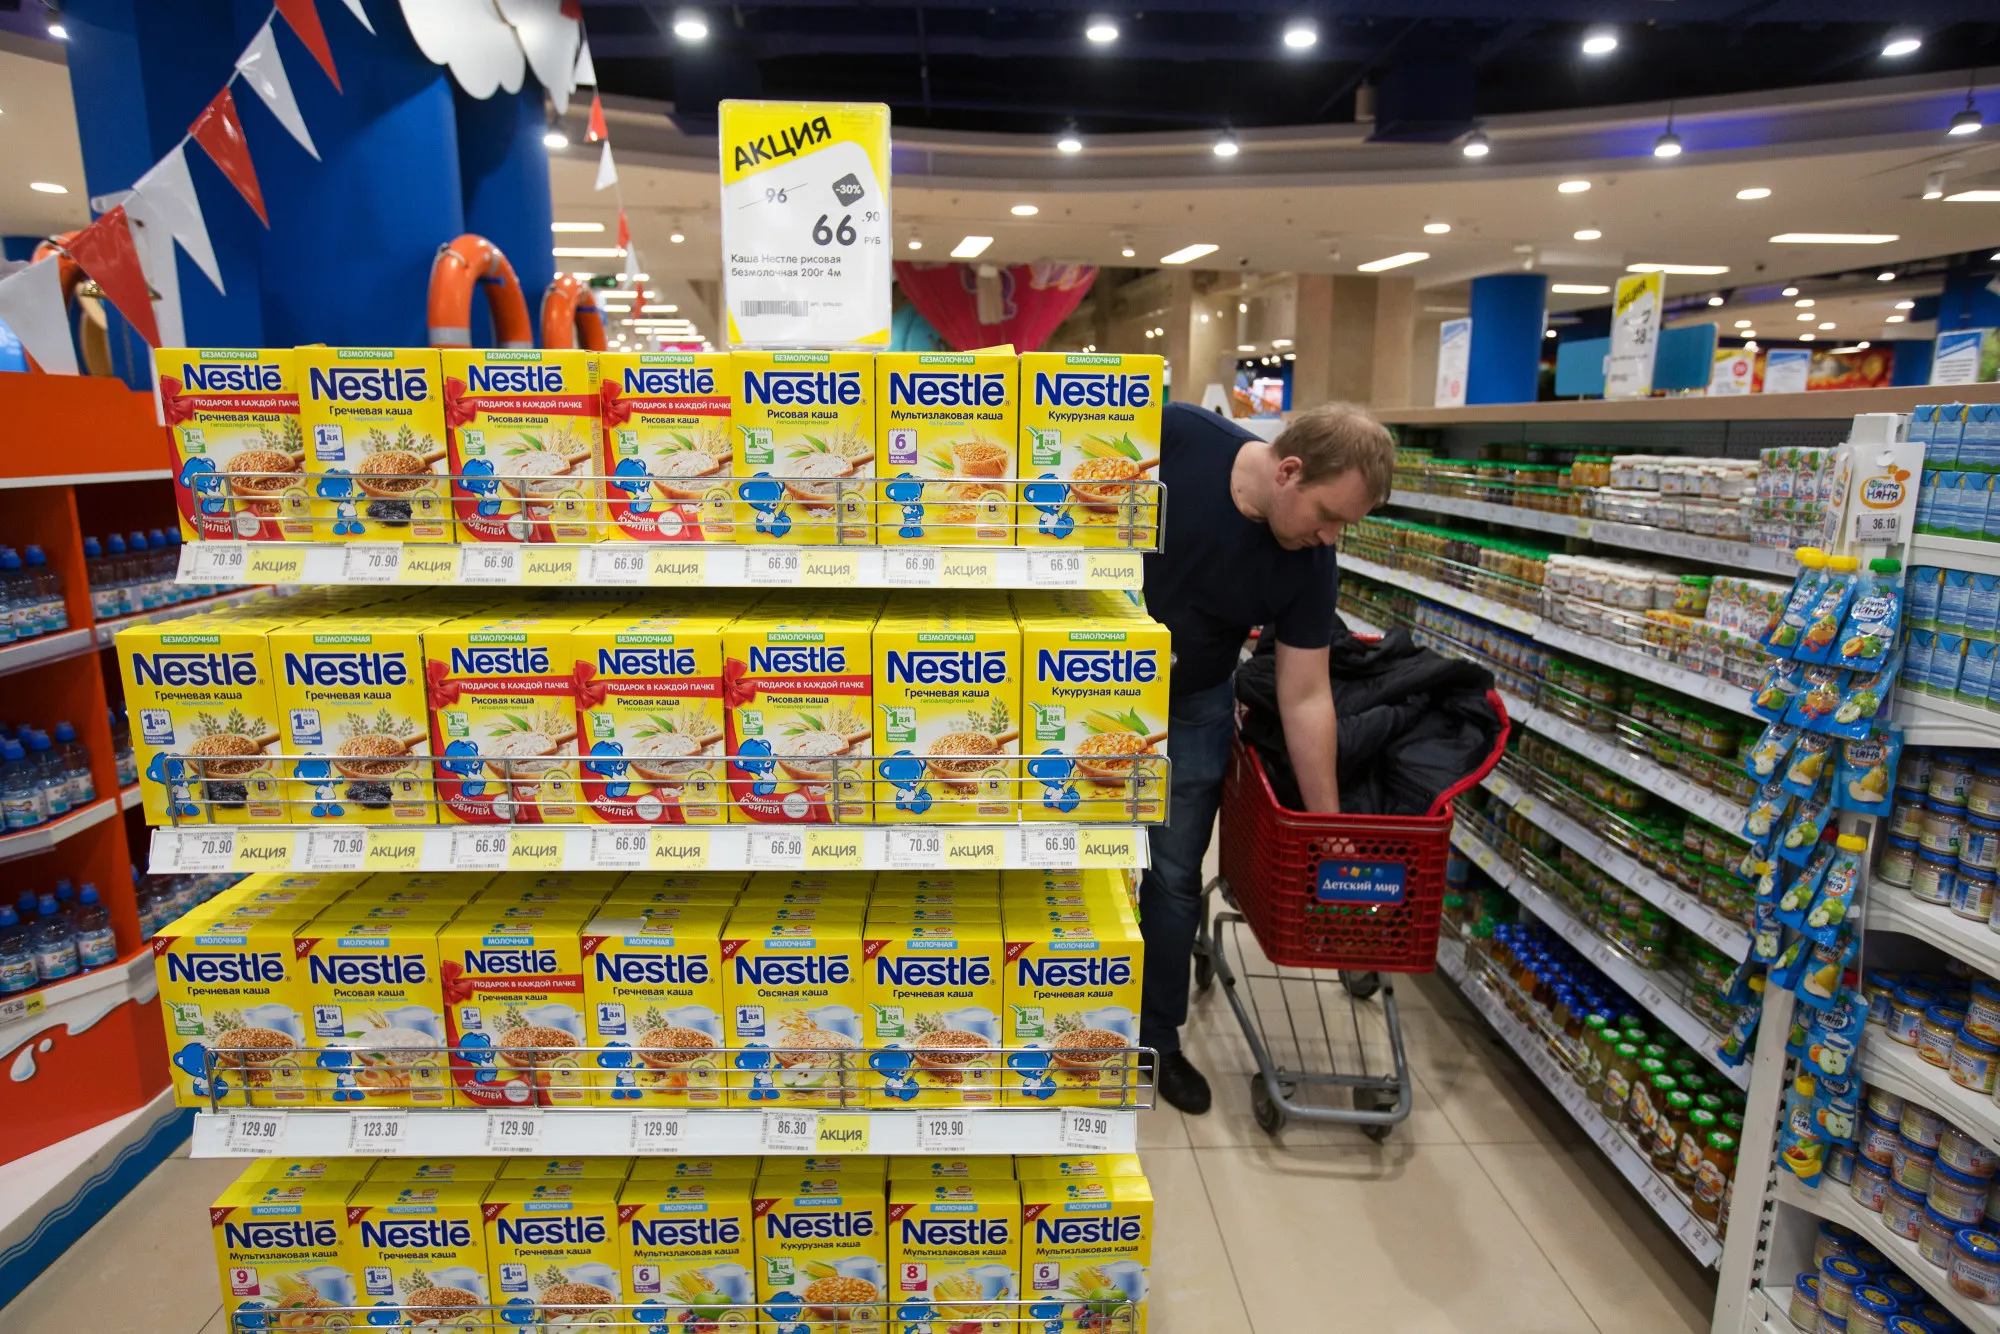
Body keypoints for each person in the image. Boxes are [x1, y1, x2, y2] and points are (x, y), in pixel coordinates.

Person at [1138, 399, 1395, 1113]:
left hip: (1192, 702)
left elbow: (1306, 693)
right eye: (1327, 514)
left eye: (1345, 525)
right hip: (1075, 688)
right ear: (1288, 470)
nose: (1331, 535)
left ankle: (1157, 1038)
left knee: (1174, 876)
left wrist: (1328, 825)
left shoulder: (1310, 561)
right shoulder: (1177, 435)